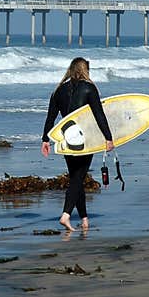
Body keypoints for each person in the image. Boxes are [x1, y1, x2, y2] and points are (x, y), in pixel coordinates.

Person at [41, 57, 114, 232]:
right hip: (85, 139)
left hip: (67, 139)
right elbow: (99, 115)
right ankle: (66, 215)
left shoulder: (58, 91)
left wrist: (45, 139)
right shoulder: (89, 88)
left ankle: (84, 219)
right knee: (77, 178)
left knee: (77, 177)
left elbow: (50, 117)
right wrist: (108, 137)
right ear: (85, 70)